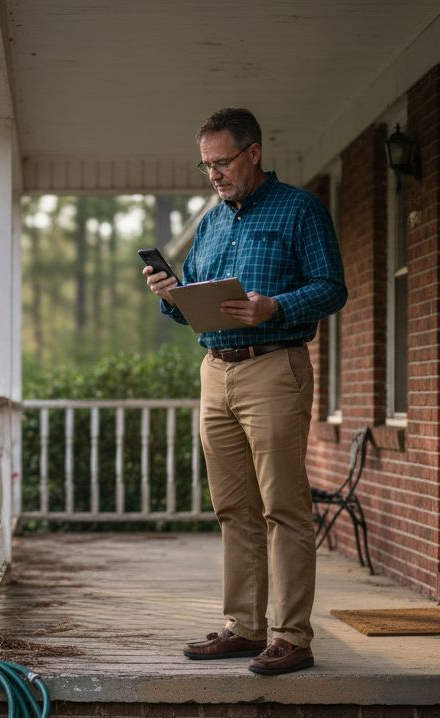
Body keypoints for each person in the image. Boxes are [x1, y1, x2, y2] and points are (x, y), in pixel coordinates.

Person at [144, 107, 347, 675]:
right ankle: (244, 626)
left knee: (283, 506)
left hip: (273, 368)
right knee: (234, 507)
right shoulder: (210, 223)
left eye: (222, 162)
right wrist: (170, 293)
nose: (213, 174)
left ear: (253, 153)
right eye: (205, 164)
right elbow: (193, 310)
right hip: (216, 370)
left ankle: (291, 636)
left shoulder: (301, 210)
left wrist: (276, 305)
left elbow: (333, 288)